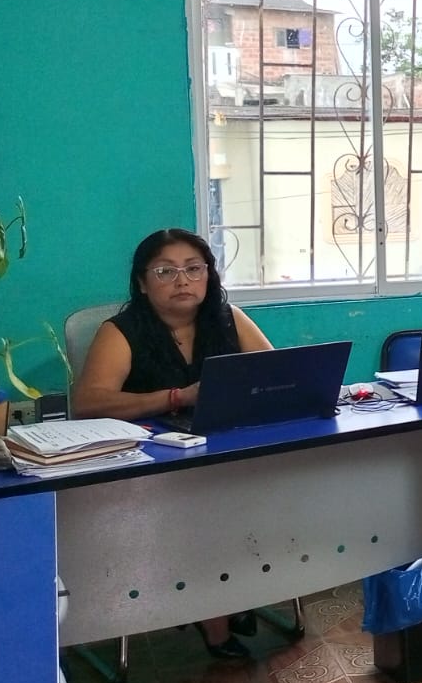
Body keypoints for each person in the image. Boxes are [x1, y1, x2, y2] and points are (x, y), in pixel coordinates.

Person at [73, 228, 272, 659]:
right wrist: (177, 397)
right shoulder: (121, 330)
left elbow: (276, 374)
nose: (182, 280)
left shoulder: (229, 318)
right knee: (209, 501)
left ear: (208, 275)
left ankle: (238, 592)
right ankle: (216, 615)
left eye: (193, 269)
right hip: (152, 462)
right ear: (143, 283)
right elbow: (88, 403)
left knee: (271, 486)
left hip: (225, 448)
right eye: (166, 271)